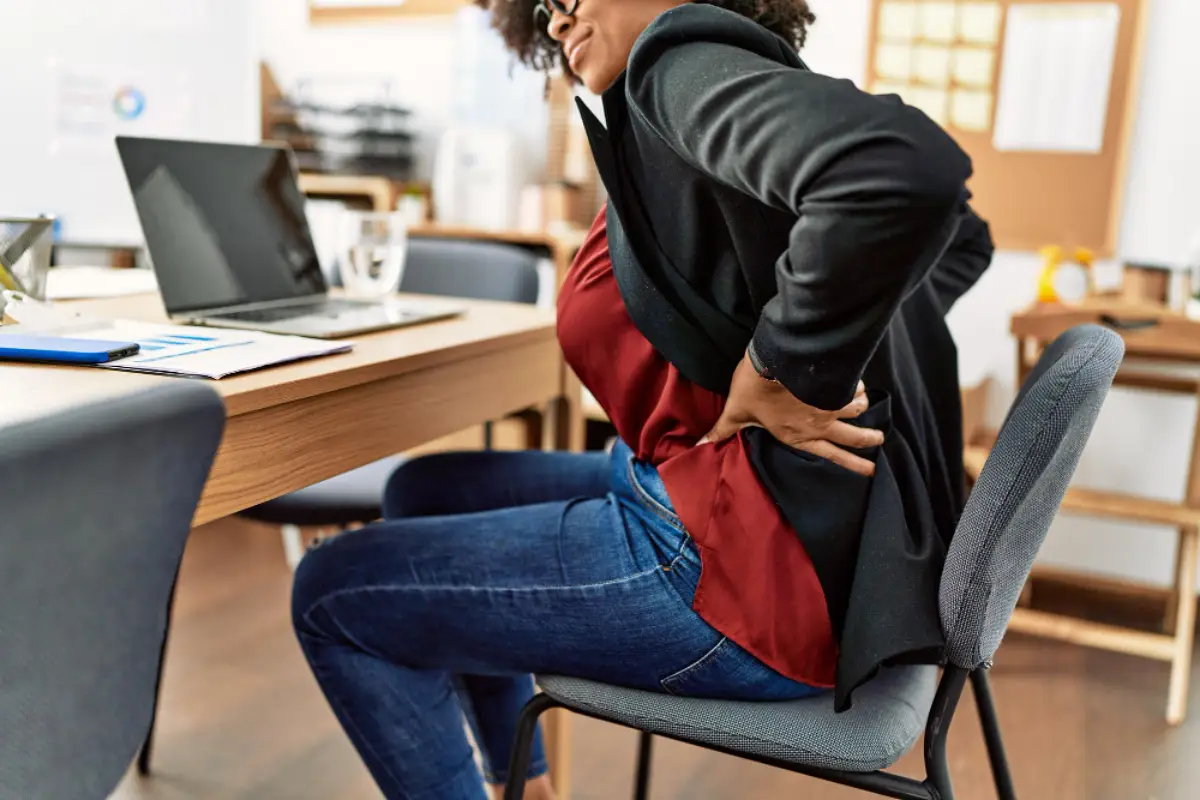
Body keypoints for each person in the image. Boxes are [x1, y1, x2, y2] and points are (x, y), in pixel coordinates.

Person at [291, 1, 995, 798]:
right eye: (543, 9)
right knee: (424, 490)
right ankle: (528, 785)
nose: (556, 21)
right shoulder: (665, 112)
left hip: (741, 582)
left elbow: (905, 173)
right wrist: (849, 336)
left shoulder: (675, 64)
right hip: (749, 523)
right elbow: (963, 238)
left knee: (331, 595)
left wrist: (784, 363)